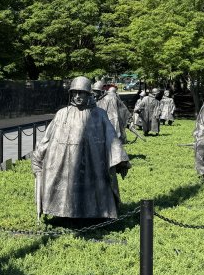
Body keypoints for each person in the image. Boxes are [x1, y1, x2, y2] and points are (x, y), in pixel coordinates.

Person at [31, 76, 130, 219]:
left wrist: (121, 160)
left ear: (88, 94)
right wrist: (38, 157)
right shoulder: (62, 114)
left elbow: (111, 138)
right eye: (74, 93)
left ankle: (94, 215)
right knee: (67, 190)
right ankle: (64, 214)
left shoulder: (99, 114)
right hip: (65, 163)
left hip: (92, 163)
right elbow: (47, 138)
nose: (77, 96)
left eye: (81, 92)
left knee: (92, 191)